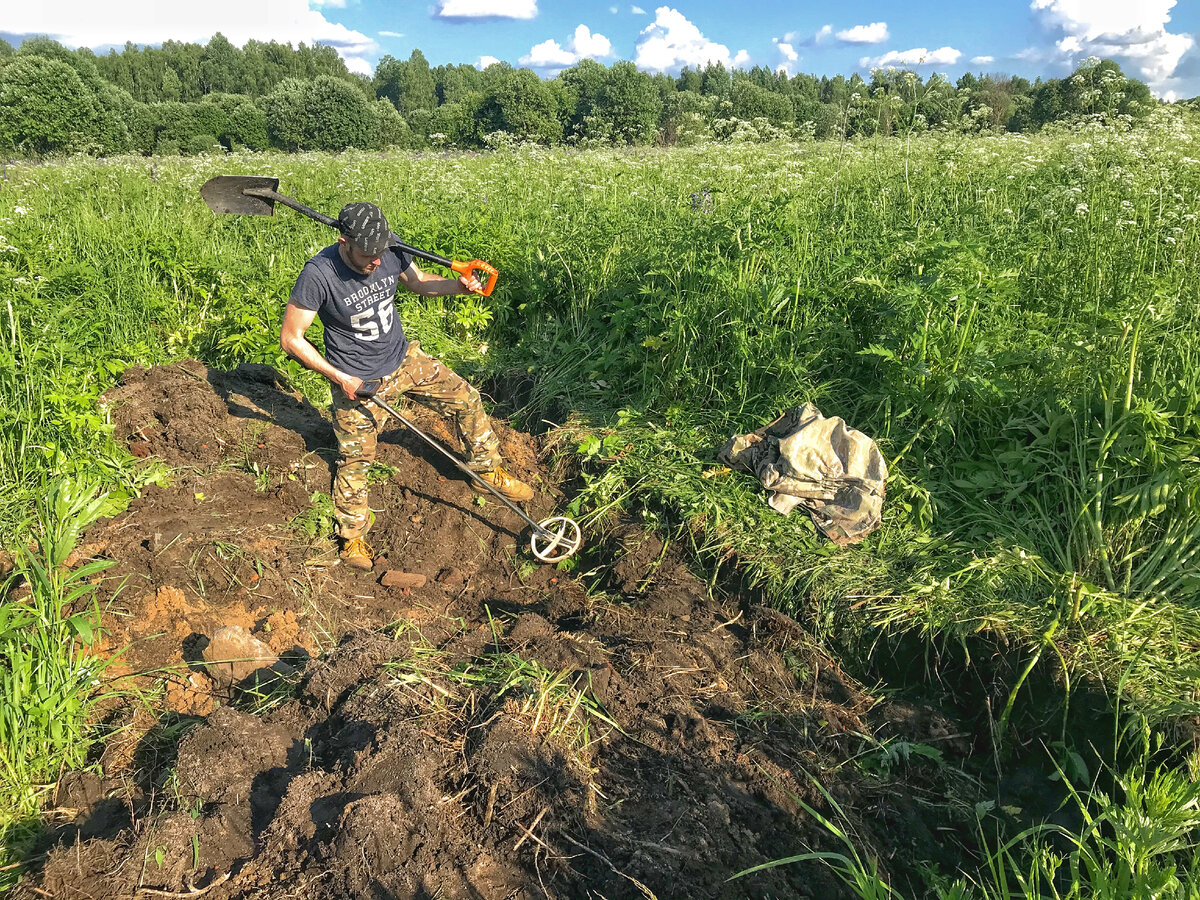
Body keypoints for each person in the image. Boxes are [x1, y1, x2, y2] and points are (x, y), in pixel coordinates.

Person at [281, 201, 533, 570]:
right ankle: (353, 538)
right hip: (359, 379)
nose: (377, 263)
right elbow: (292, 338)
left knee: (466, 398)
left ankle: (485, 470)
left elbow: (417, 283)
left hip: (403, 359)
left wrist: (459, 288)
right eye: (368, 256)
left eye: (381, 253)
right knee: (355, 460)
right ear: (343, 242)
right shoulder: (319, 274)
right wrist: (341, 377)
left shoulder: (388, 247)